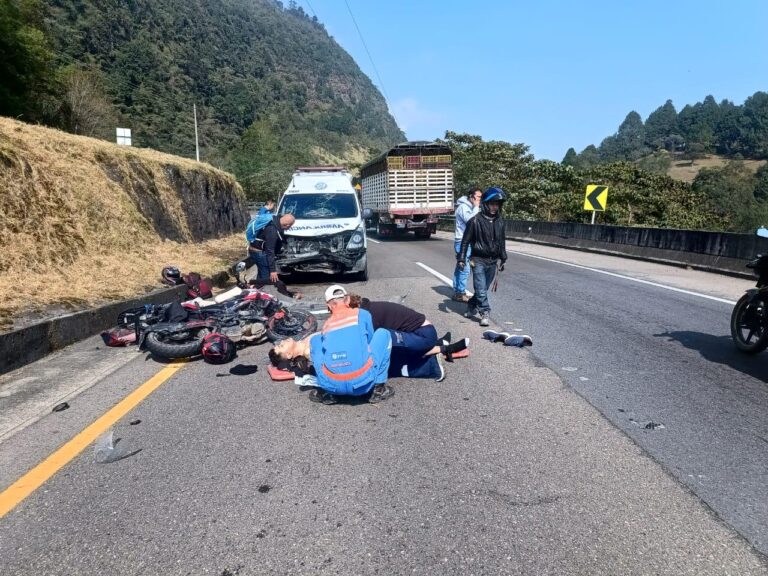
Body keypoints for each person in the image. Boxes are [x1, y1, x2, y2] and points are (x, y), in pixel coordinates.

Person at [269, 285, 393, 405]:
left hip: (333, 387)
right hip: (363, 384)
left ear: (328, 306)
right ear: (348, 300)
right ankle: (379, 389)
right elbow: (369, 342)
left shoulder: (327, 325)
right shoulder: (362, 314)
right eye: (281, 346)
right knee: (384, 334)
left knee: (317, 341)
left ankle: (326, 393)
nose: (281, 342)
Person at [345, 291, 470, 382]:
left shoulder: (369, 316)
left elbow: (369, 346)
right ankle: (441, 345)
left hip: (423, 335)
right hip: (424, 332)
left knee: (384, 340)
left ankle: (441, 351)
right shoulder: (370, 307)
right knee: (388, 340)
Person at [458, 187, 507, 327]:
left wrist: (503, 257)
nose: (494, 207)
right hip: (477, 259)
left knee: (483, 289)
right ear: (485, 204)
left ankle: (471, 305)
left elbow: (502, 241)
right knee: (480, 288)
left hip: (492, 261)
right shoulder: (474, 221)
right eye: (492, 204)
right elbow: (465, 241)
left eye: (497, 204)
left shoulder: (500, 221)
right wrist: (461, 259)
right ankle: (485, 312)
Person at [240, 213, 302, 299]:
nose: (289, 228)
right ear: (287, 225)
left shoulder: (276, 220)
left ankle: (253, 291)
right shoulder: (272, 230)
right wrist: (273, 270)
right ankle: (267, 299)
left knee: (262, 276)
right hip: (260, 253)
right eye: (290, 226)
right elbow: (270, 251)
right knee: (267, 280)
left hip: (256, 251)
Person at [453, 187, 482, 302]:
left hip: (466, 241)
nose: (480, 199)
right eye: (478, 197)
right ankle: (460, 293)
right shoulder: (464, 207)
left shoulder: (468, 207)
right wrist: (476, 207)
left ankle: (457, 290)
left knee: (459, 266)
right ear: (471, 197)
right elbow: (471, 221)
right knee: (464, 268)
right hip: (462, 241)